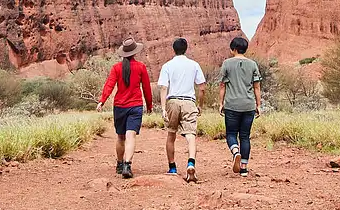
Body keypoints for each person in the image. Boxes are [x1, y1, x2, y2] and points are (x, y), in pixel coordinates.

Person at [97, 38, 153, 179]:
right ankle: (127, 165)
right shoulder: (141, 67)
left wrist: (102, 101)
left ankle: (120, 164)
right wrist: (149, 105)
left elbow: (109, 85)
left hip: (120, 107)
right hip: (135, 106)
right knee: (131, 135)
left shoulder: (116, 68)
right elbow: (146, 87)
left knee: (120, 137)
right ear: (135, 52)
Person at [157, 37, 206, 182]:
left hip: (172, 101)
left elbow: (164, 87)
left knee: (171, 134)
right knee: (191, 135)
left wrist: (163, 108)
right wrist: (200, 105)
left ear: (174, 49)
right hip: (189, 102)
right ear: (186, 49)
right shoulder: (194, 65)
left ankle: (172, 168)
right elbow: (202, 87)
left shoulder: (167, 66)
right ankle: (191, 163)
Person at [217, 36, 262, 177]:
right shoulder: (253, 64)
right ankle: (243, 168)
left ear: (234, 49)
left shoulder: (227, 64)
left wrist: (221, 103)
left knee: (231, 134)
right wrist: (258, 105)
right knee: (245, 136)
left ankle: (235, 151)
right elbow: (257, 87)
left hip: (232, 105)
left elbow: (222, 86)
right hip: (248, 105)